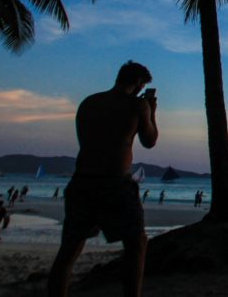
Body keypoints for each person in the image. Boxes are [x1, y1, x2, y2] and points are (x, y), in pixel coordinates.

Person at [48, 61, 158, 297]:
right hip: (115, 184)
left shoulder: (89, 103)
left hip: (82, 181)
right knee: (136, 244)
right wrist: (151, 111)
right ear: (139, 83)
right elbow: (150, 140)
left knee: (69, 251)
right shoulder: (138, 105)